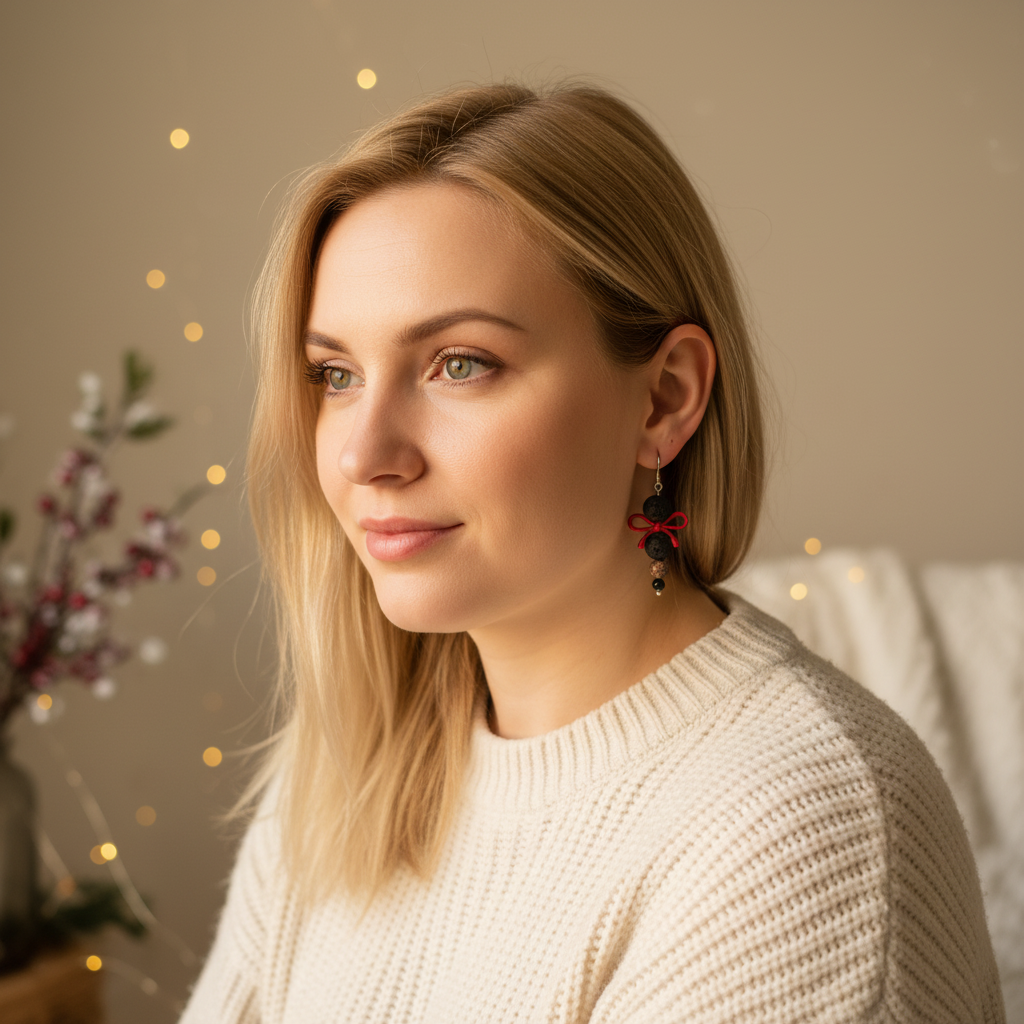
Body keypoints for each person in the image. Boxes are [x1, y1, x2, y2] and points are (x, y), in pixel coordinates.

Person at [179, 82, 1004, 1023]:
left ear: (664, 400)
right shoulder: (346, 769)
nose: (365, 455)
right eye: (335, 375)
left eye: (460, 364)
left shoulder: (794, 832)